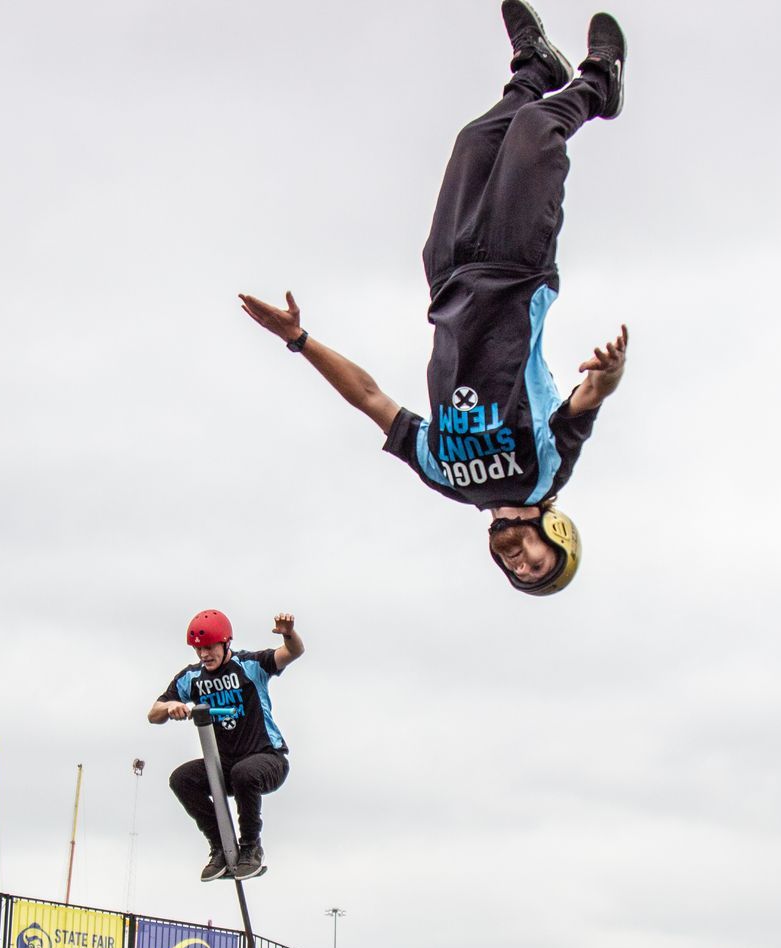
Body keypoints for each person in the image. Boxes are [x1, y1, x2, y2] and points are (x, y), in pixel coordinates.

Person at [239, 6, 628, 598]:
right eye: (538, 564)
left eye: (518, 574)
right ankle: (600, 83)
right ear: (556, 533)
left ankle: (535, 67)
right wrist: (610, 373)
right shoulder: (544, 470)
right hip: (514, 269)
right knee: (535, 133)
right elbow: (587, 399)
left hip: (447, 277)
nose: (520, 564)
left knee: (475, 139)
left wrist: (300, 341)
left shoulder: (450, 478)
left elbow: (372, 400)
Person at [149, 610, 303, 880]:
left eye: (209, 648)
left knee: (243, 772)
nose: (204, 655)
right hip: (225, 769)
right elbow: (154, 714)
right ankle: (220, 846)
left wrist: (289, 634)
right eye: (198, 650)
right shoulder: (192, 678)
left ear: (225, 643)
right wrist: (172, 705)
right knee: (182, 779)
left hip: (268, 759)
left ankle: (251, 848)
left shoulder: (250, 665)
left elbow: (293, 652)